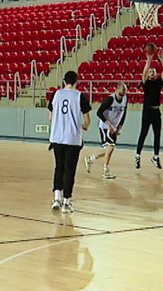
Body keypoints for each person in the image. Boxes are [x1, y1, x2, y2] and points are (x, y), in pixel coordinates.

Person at [47, 70, 92, 212]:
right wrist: (84, 126)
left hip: (57, 137)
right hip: (72, 138)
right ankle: (66, 202)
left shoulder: (56, 94)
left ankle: (56, 198)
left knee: (59, 167)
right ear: (76, 82)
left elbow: (50, 117)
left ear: (64, 81)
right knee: (70, 170)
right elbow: (87, 120)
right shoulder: (79, 96)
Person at [85, 82, 127, 180]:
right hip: (105, 126)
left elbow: (124, 113)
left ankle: (91, 159)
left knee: (108, 150)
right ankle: (105, 170)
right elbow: (99, 113)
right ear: (117, 89)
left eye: (125, 89)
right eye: (123, 89)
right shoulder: (110, 99)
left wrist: (119, 127)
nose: (125, 91)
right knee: (110, 147)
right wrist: (108, 125)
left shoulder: (125, 99)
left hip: (114, 127)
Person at [135, 48, 163, 170]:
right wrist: (148, 61)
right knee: (143, 133)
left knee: (157, 135)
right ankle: (137, 156)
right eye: (150, 71)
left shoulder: (159, 82)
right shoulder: (146, 83)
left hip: (156, 111)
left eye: (153, 71)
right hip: (147, 111)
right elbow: (143, 74)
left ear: (156, 73)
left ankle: (156, 156)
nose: (151, 72)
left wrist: (161, 59)